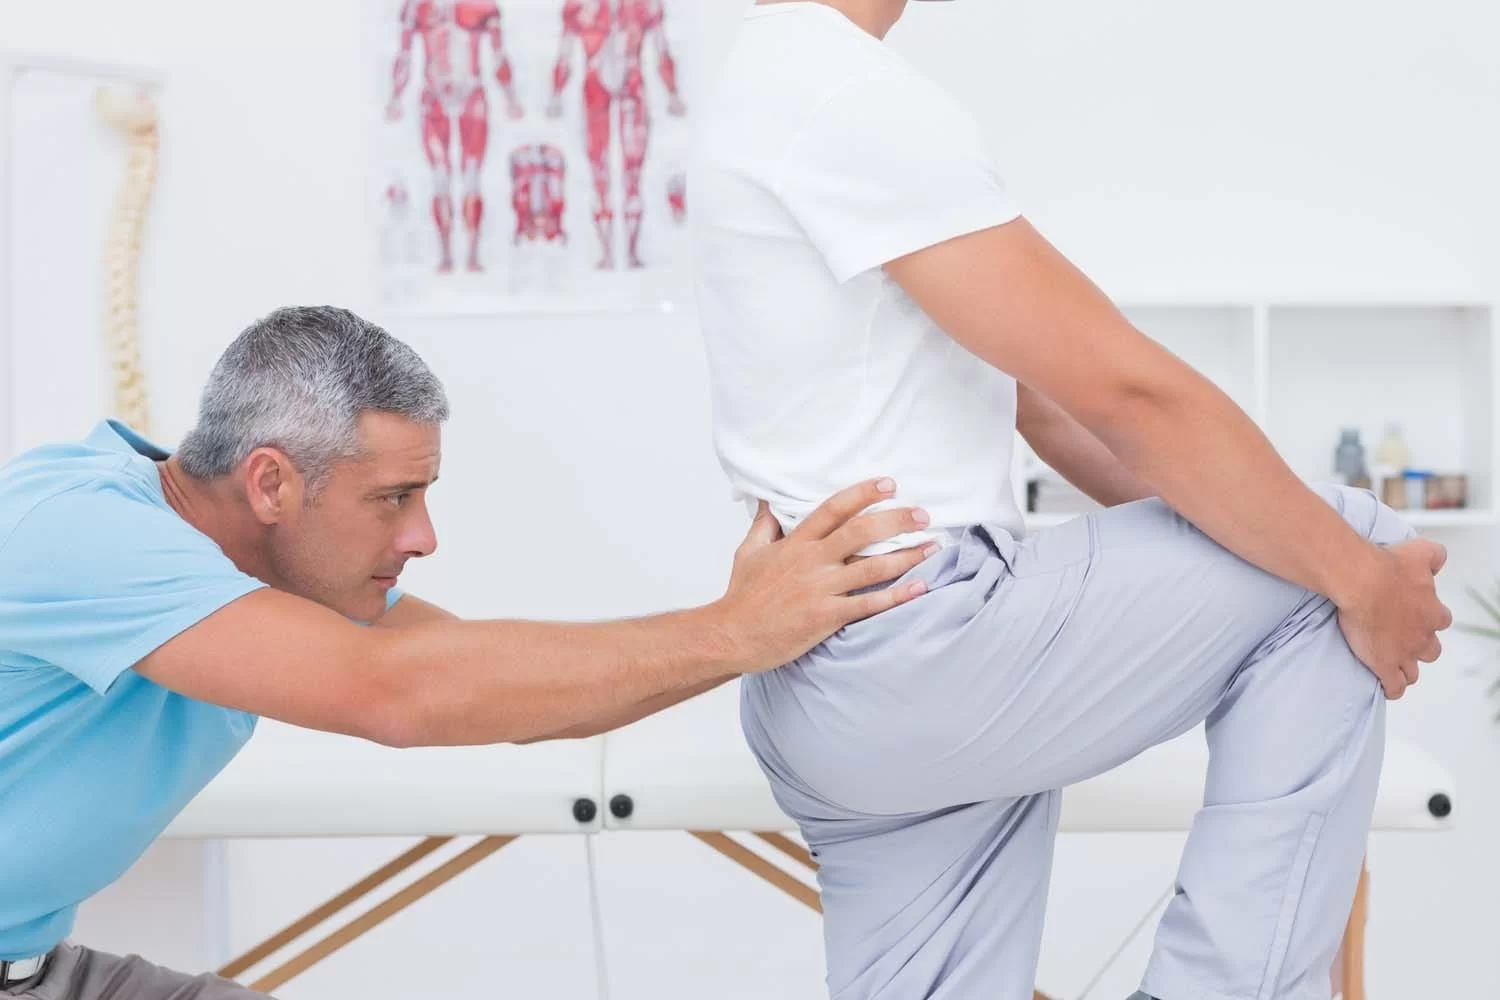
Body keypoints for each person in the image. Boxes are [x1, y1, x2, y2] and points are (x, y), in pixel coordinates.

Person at [689, 2, 1453, 999]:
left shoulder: (763, 84)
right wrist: (1361, 577)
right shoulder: (845, 93)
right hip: (921, 648)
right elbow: (1126, 394)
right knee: (1339, 550)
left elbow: (1041, 408)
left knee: (1307, 550)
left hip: (823, 683)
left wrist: (1293, 547)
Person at [0, 305, 932, 998]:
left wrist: (758, 631)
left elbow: (484, 685)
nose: (423, 537)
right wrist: (735, 628)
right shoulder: (80, 530)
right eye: (392, 498)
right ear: (271, 483)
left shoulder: (239, 567)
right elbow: (395, 695)